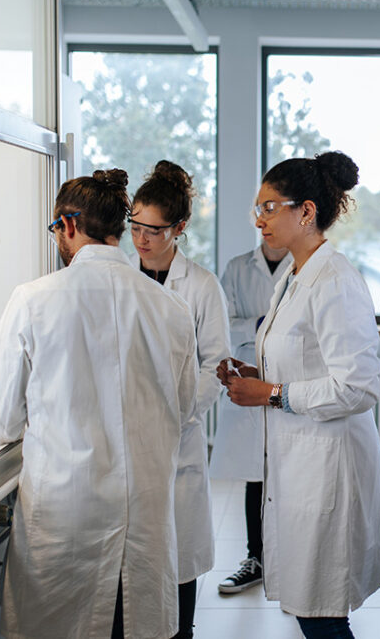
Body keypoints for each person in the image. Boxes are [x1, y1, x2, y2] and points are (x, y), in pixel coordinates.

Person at [0, 169, 199, 639]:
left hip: (65, 520)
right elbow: (183, 410)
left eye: (56, 228)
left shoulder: (34, 300)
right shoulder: (170, 308)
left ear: (68, 224)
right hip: (144, 517)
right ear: (118, 229)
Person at [216, 151, 380, 639]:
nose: (258, 219)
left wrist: (269, 392)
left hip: (327, 470)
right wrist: (255, 373)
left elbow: (357, 386)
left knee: (321, 613)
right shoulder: (293, 278)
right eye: (258, 208)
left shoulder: (334, 281)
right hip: (299, 464)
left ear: (306, 211)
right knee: (312, 607)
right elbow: (303, 357)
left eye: (269, 207)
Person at [130, 160, 232, 637]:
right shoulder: (121, 279)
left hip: (178, 437)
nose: (142, 238)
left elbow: (217, 364)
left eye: (154, 229)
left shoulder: (201, 285)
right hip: (127, 440)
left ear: (180, 228)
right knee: (136, 562)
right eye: (135, 226)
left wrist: (183, 412)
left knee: (180, 555)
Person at [209, 240, 292, 593]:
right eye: (261, 213)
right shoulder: (238, 267)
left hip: (289, 379)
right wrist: (261, 323)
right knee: (254, 473)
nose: (266, 223)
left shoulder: (304, 266)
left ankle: (292, 563)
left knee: (292, 474)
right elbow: (223, 323)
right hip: (250, 376)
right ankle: (255, 559)